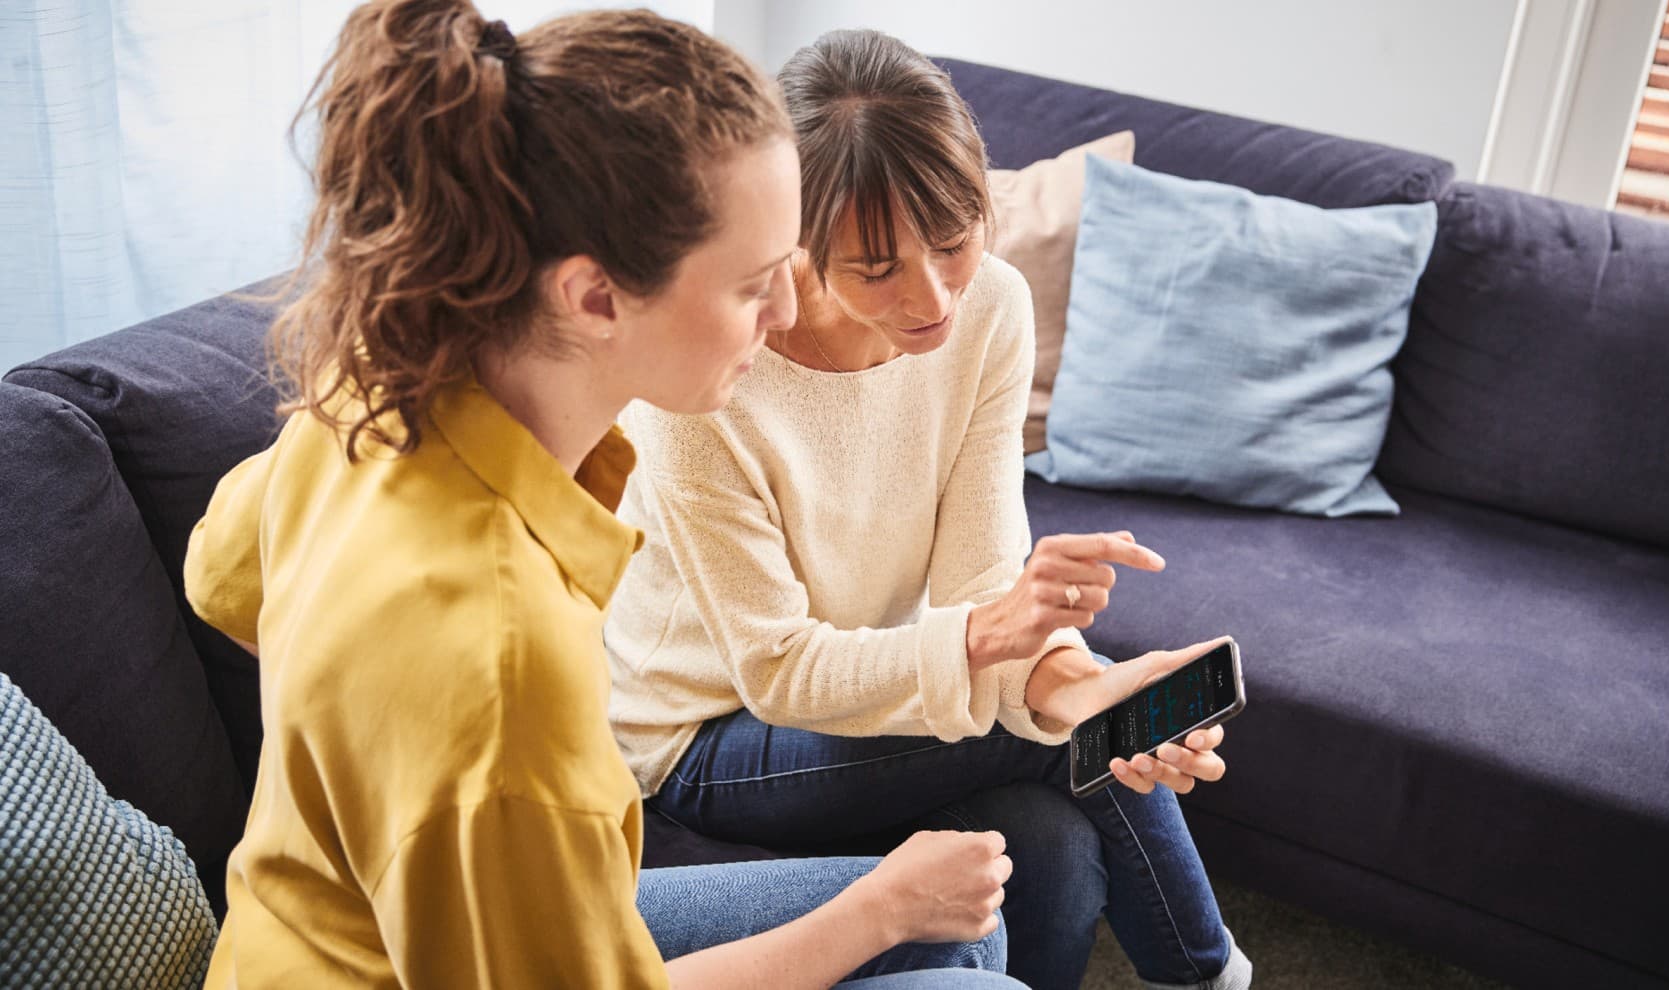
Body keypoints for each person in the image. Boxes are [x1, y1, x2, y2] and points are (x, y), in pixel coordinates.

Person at [184, 5, 1025, 987]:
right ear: (593, 298)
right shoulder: (501, 660)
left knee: (969, 929)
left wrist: (402, 808)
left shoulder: (373, 387)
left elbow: (224, 583)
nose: (794, 311)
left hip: (330, 931)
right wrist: (879, 909)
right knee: (967, 969)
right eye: (756, 285)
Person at [606, 29, 1253, 990]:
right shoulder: (710, 376)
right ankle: (1210, 977)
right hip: (704, 731)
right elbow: (780, 670)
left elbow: (981, 584)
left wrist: (1080, 683)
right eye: (877, 269)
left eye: (954, 241)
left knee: (1051, 848)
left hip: (876, 683)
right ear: (796, 243)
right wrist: (1053, 678)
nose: (936, 295)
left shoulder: (991, 304)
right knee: (1048, 753)